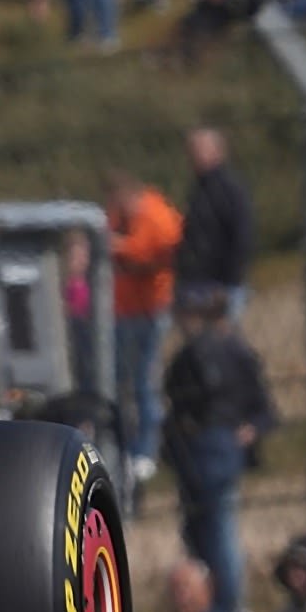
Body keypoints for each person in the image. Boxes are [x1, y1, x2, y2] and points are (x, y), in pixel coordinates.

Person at [162, 288, 272, 612]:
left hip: (214, 445)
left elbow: (259, 406)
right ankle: (210, 603)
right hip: (200, 447)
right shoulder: (198, 355)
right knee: (201, 528)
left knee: (216, 527)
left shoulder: (222, 354)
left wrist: (247, 429)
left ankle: (227, 607)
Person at [107, 175, 184, 482]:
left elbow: (150, 252)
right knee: (122, 383)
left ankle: (146, 451)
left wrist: (117, 246)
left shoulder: (156, 216)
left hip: (150, 309)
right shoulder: (120, 217)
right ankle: (122, 447)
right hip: (124, 310)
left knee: (144, 382)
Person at [175, 127, 254, 317]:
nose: (193, 155)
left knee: (220, 342)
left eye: (200, 149)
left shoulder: (229, 188)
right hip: (196, 281)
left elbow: (242, 235)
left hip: (220, 283)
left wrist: (230, 280)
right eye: (191, 149)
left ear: (217, 151)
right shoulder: (199, 188)